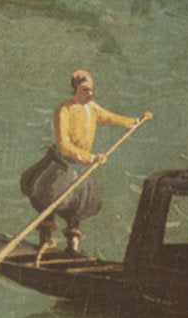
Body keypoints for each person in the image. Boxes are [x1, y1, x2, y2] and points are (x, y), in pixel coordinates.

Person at [20, 70, 147, 256]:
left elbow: (109, 117)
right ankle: (45, 240)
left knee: (78, 205)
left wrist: (133, 122)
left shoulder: (92, 108)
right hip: (60, 165)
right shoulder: (64, 110)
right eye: (86, 89)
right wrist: (90, 158)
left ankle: (73, 247)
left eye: (91, 89)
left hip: (79, 168)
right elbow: (64, 145)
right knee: (50, 200)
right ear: (76, 88)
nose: (90, 93)